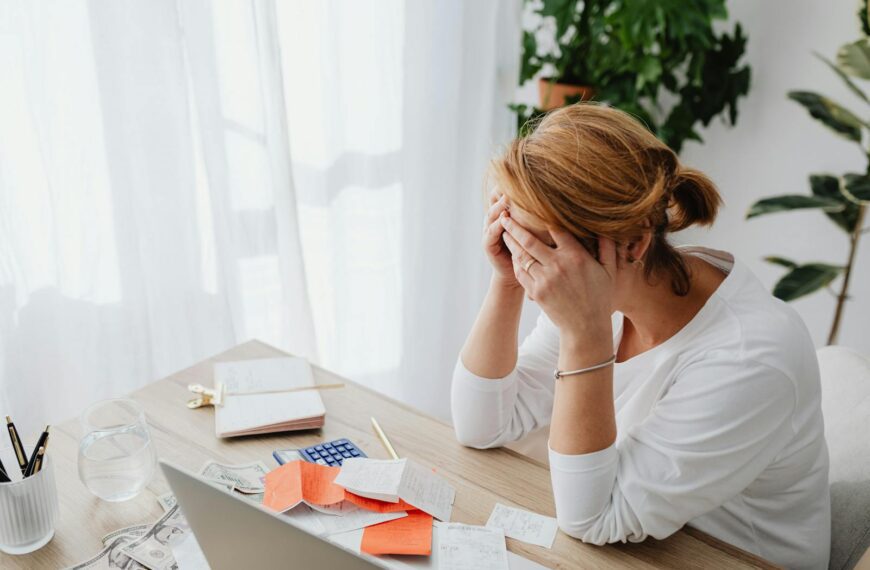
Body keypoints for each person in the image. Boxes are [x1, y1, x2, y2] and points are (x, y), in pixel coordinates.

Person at [451, 103, 831, 569]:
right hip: (644, 545)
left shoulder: (750, 358)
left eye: (538, 248)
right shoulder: (607, 283)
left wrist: (585, 334)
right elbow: (482, 426)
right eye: (513, 239)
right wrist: (506, 281)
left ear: (632, 243)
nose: (532, 270)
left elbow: (591, 518)